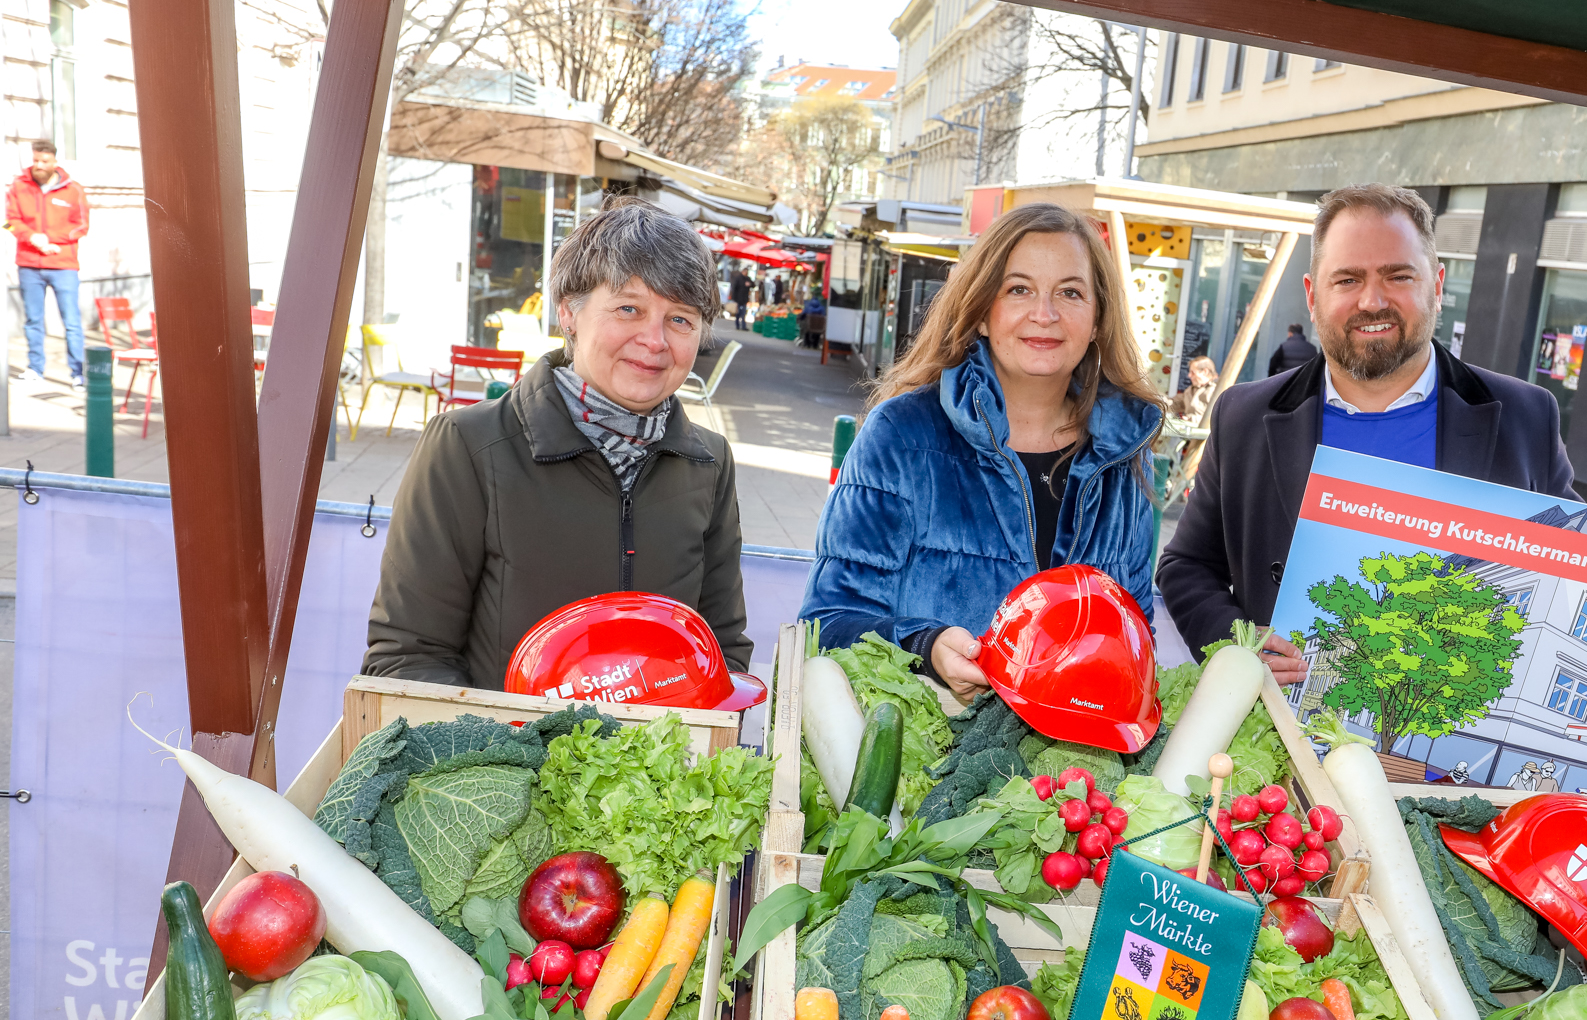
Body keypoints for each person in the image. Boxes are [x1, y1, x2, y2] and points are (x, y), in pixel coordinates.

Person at [1158, 183, 1576, 677]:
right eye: (1348, 280)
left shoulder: (1526, 417)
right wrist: (1243, 652)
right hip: (1284, 736)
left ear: (1437, 286)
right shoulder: (1244, 416)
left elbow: (1574, 572)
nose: (1372, 301)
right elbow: (1185, 567)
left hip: (1451, 731)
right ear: (1313, 296)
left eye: (1398, 276)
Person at [363, 196, 749, 688]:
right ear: (569, 313)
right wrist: (504, 760)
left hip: (659, 763)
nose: (655, 340)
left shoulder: (709, 462)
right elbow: (408, 658)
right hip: (503, 758)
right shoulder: (468, 446)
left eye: (680, 319)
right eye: (629, 308)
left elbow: (722, 651)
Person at [800, 201, 1165, 699]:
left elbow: (1137, 642)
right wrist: (925, 647)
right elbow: (825, 626)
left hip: (1071, 773)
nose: (1045, 314)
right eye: (1019, 289)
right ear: (982, 313)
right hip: (924, 762)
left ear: (1098, 318)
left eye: (1071, 292)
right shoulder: (902, 436)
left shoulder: (1125, 455)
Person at [6, 139, 90, 386]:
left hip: (63, 265)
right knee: (33, 320)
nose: (39, 165)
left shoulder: (73, 190)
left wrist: (50, 239)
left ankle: (77, 373)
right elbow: (8, 222)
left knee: (72, 322)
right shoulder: (18, 187)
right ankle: (35, 369)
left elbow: (82, 227)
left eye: (44, 161)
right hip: (29, 265)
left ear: (55, 161)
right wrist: (32, 237)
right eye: (35, 161)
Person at [1169, 356, 1219, 422]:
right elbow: (1175, 404)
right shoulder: (1191, 390)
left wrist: (1193, 419)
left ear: (1204, 372)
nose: (1189, 375)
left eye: (1193, 372)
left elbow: (1219, 419)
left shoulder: (1217, 391)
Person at [727, 264, 754, 329]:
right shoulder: (738, 278)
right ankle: (737, 325)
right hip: (738, 298)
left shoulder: (748, 278)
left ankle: (743, 326)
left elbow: (753, 284)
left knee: (743, 313)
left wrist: (749, 284)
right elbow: (734, 288)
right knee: (738, 313)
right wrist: (734, 298)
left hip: (744, 298)